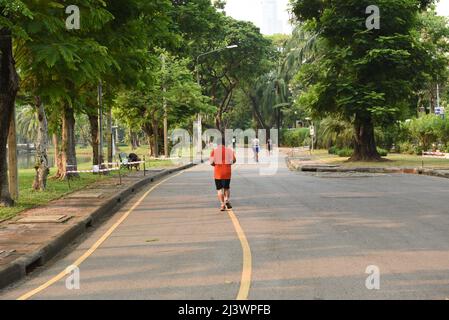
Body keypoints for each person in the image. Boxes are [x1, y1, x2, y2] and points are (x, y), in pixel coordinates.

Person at [210, 137, 237, 211]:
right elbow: (234, 160)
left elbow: (211, 162)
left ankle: (222, 204)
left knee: (219, 189)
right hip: (227, 172)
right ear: (225, 143)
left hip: (218, 173)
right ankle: (227, 200)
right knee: (226, 188)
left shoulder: (214, 151)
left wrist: (215, 165)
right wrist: (229, 164)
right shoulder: (229, 150)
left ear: (217, 143)